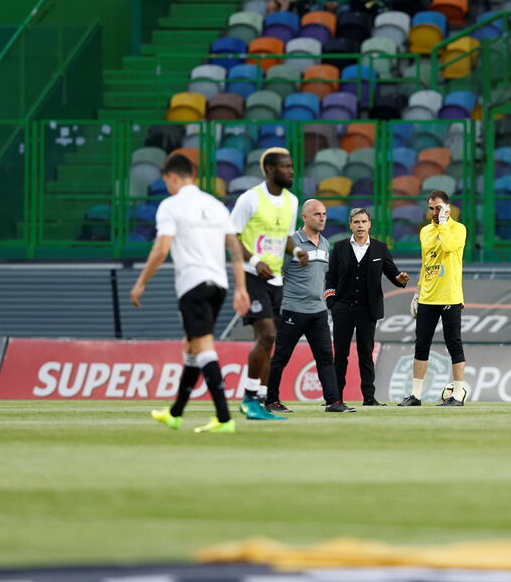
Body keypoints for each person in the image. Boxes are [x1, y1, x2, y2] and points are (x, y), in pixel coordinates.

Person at [130, 155, 251, 434]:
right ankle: (174, 414)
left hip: (193, 285)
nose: (167, 187)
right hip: (218, 285)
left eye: (166, 182)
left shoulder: (170, 206)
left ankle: (223, 418)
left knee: (203, 346)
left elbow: (161, 250)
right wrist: (240, 287)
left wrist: (140, 283)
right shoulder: (216, 205)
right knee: (191, 345)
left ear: (172, 177)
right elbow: (235, 248)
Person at [229, 147, 305, 420]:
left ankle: (259, 400)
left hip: (275, 279)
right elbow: (231, 236)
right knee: (267, 334)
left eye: (291, 166)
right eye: (285, 167)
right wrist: (254, 260)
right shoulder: (250, 199)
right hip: (251, 276)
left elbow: (284, 237)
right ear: (271, 170)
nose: (291, 171)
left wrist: (296, 252)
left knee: (269, 341)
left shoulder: (292, 201)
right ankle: (249, 398)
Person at [265, 200, 355, 413]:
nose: (322, 218)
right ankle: (270, 401)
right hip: (293, 310)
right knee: (280, 357)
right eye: (317, 214)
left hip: (318, 312)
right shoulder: (291, 243)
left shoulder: (325, 243)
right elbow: (277, 273)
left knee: (325, 358)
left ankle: (333, 401)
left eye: (324, 214)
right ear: (304, 217)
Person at [325, 208, 409, 406]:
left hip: (367, 310)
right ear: (350, 225)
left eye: (363, 221)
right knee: (341, 355)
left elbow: (393, 274)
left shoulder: (380, 248)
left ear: (369, 224)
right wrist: (332, 304)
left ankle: (369, 398)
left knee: (366, 353)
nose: (360, 225)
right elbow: (330, 279)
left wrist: (401, 279)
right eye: (356, 222)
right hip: (343, 309)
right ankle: (336, 398)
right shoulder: (339, 247)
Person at [398, 190, 468, 407]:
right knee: (421, 345)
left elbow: (447, 246)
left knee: (453, 343)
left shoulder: (458, 229)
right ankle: (416, 395)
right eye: (431, 208)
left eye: (438, 207)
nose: (435, 212)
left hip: (450, 295)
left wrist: (445, 222)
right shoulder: (425, 231)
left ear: (447, 207)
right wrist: (418, 291)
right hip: (428, 296)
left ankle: (457, 394)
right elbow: (427, 263)